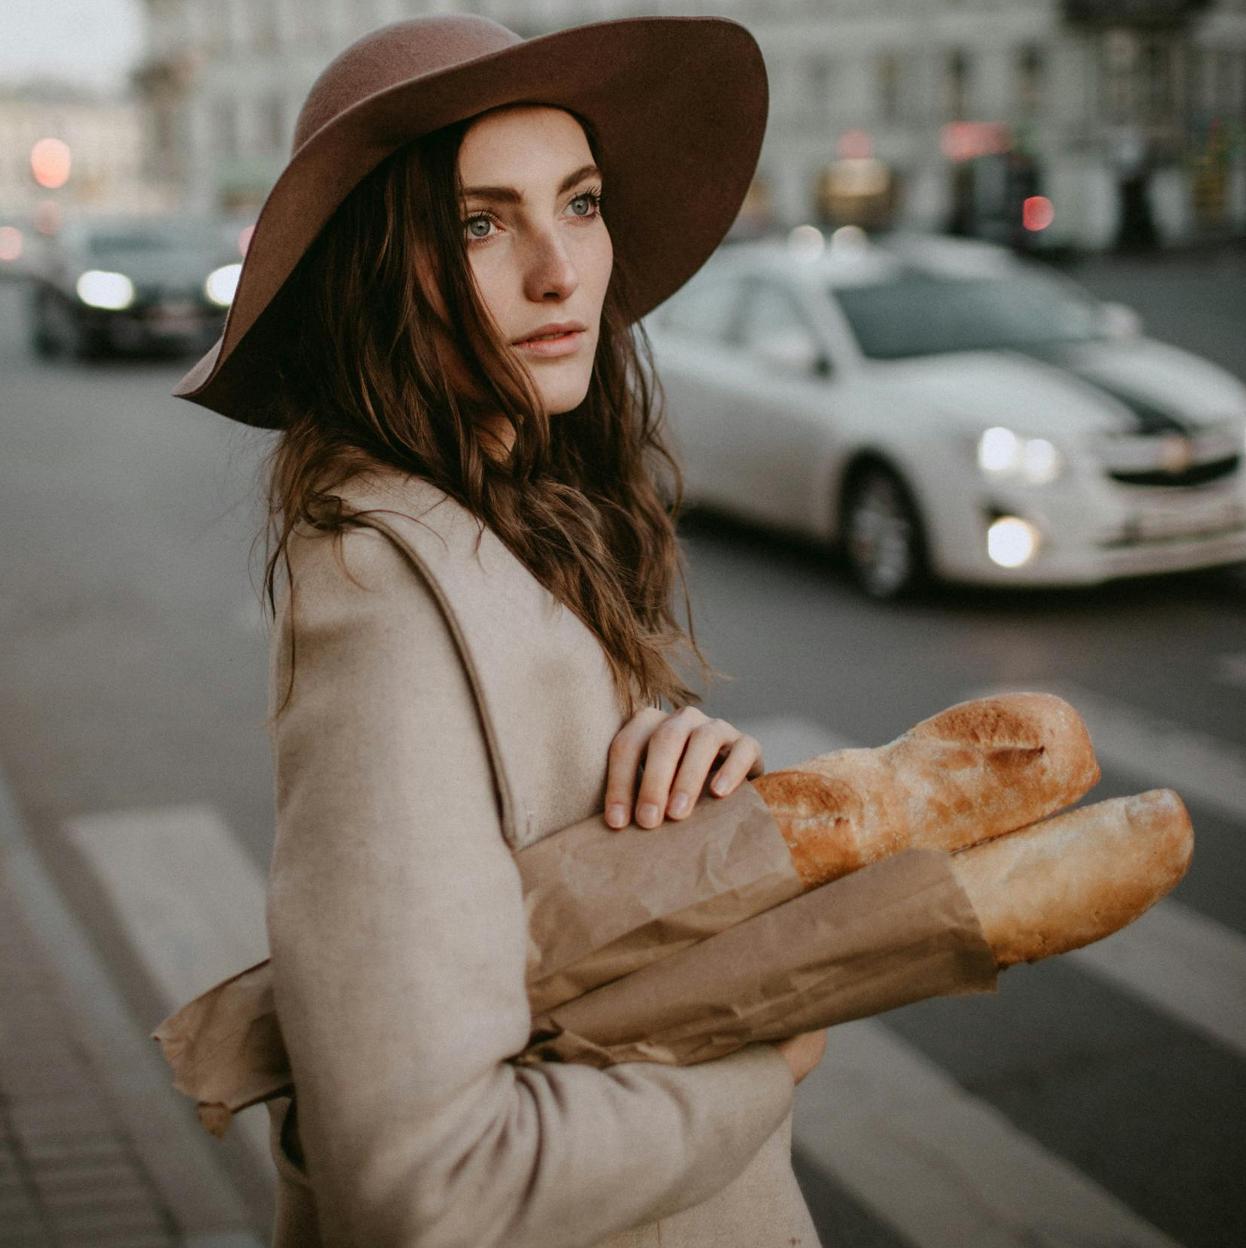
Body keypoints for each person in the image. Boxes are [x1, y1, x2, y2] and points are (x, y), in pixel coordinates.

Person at [172, 15, 826, 1247]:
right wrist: (764, 1059)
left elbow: (549, 894)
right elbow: (429, 1182)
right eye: (479, 223)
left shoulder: (517, 514)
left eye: (578, 204)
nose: (559, 271)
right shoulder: (390, 600)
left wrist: (691, 819)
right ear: (375, 269)